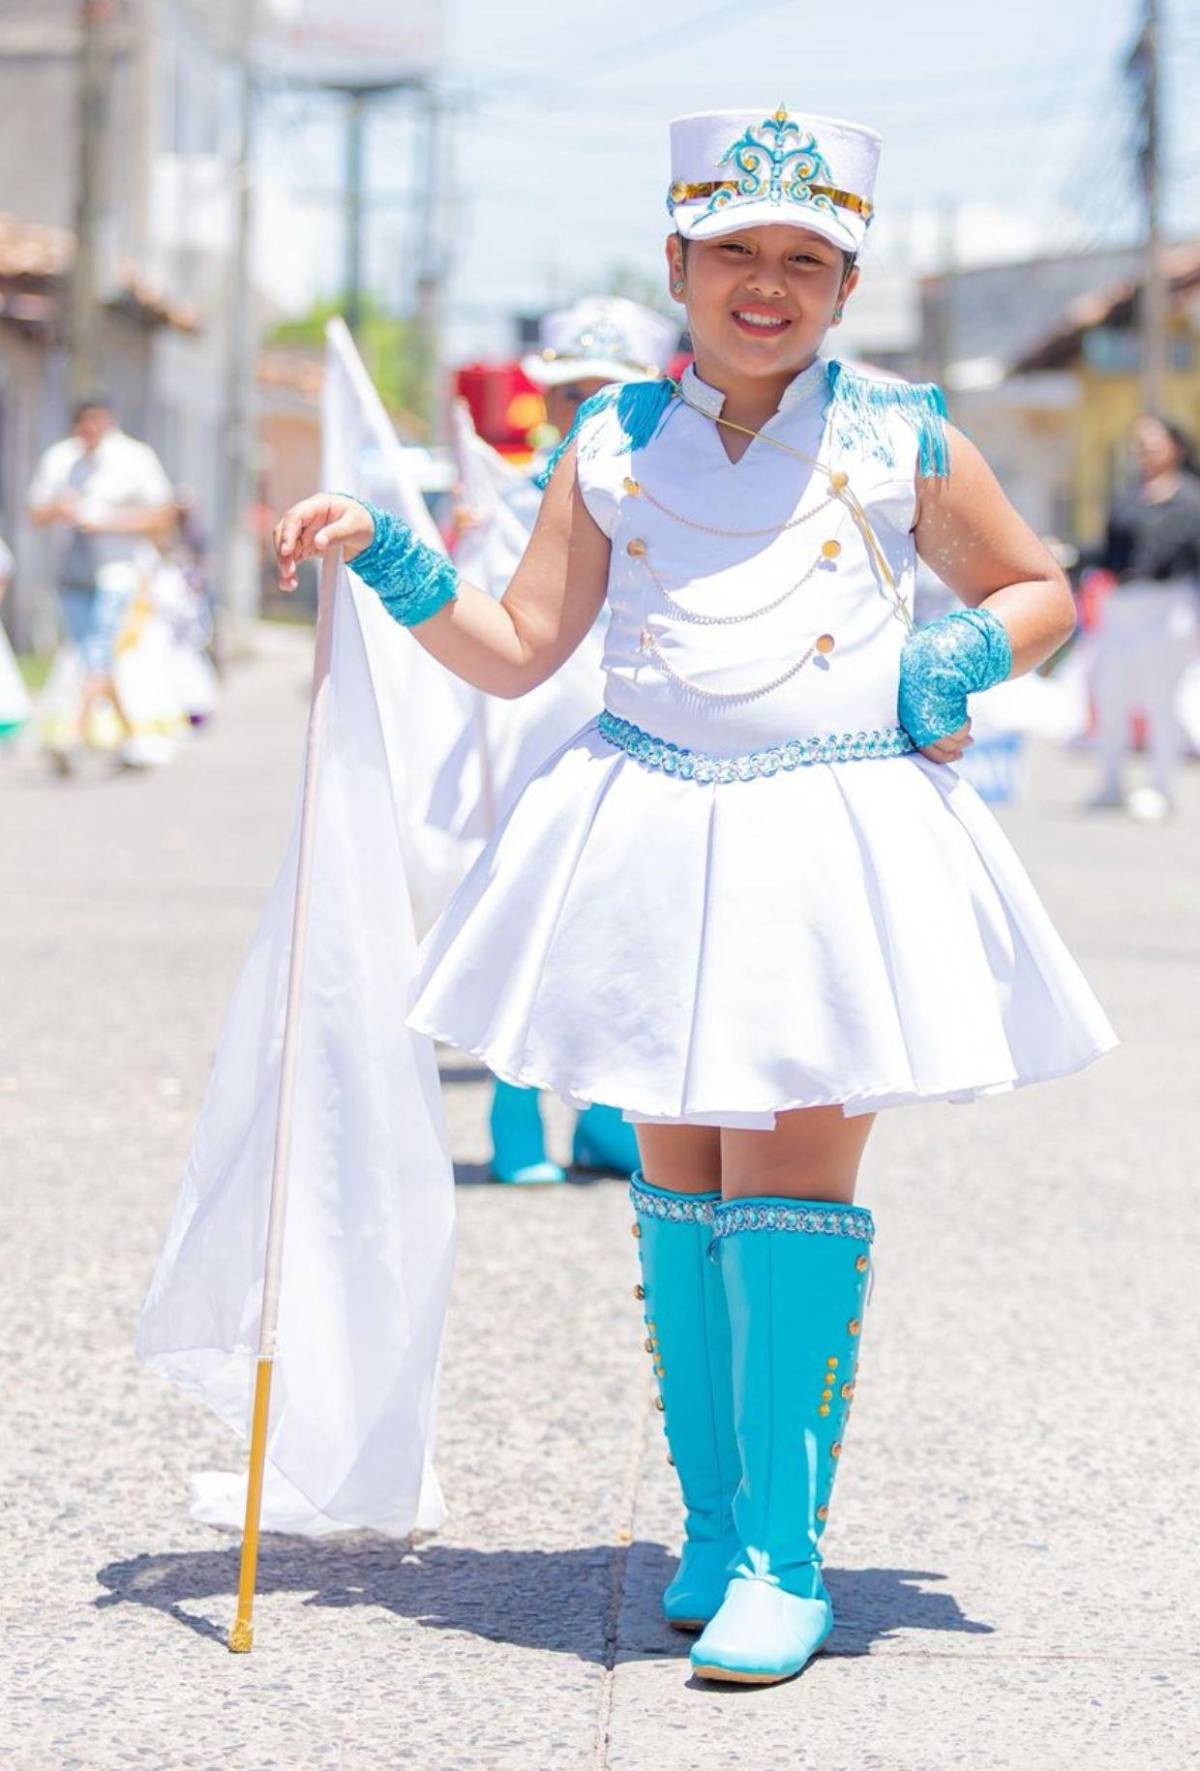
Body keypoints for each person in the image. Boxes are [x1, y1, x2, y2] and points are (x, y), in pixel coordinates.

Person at [273, 104, 1115, 1687]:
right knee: (682, 1194)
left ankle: (787, 1558)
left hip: (830, 841)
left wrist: (964, 647)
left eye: (807, 258)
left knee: (789, 1176)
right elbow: (522, 646)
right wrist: (386, 556)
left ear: (847, 285)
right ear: (676, 261)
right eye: (736, 249)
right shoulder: (607, 446)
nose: (767, 283)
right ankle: (716, 1525)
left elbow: (1040, 583)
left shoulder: (903, 434)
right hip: (650, 832)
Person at [465, 297, 679, 1184]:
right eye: (571, 392)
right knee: (532, 916)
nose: (586, 408)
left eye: (607, 392)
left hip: (638, 726)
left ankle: (600, 1114)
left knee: (626, 925)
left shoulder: (677, 488)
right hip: (535, 724)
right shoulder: (509, 500)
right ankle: (514, 1113)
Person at [27, 394, 175, 771]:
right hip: (72, 573)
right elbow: (35, 511)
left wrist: (108, 521)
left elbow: (162, 514)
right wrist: (59, 509)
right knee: (90, 655)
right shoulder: (61, 460)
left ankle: (71, 737)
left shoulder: (134, 459)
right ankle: (132, 739)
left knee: (98, 649)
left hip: (117, 573)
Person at [1087, 414, 1200, 821]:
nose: (1144, 453)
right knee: (1110, 691)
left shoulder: (1191, 500)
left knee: (1161, 698)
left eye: (1152, 444)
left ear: (1176, 448)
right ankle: (1111, 781)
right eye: (1139, 446)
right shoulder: (1128, 496)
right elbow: (1108, 551)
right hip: (1124, 602)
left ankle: (1160, 785)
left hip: (1169, 604)